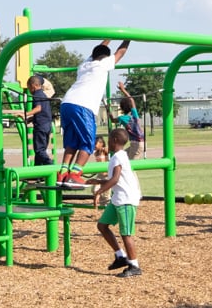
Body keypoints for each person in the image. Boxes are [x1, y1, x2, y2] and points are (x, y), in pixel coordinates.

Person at [58, 39, 130, 184]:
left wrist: (108, 37)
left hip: (66, 103)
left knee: (72, 141)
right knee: (88, 142)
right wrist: (128, 38)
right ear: (105, 57)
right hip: (83, 106)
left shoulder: (84, 65)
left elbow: (99, 49)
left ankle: (63, 172)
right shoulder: (103, 64)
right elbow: (120, 52)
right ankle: (76, 173)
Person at [86, 128, 143, 278]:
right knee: (102, 225)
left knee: (126, 234)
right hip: (118, 198)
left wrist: (98, 191)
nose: (107, 143)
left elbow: (115, 179)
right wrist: (98, 181)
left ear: (115, 141)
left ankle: (134, 265)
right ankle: (120, 256)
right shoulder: (117, 156)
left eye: (110, 139)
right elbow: (116, 180)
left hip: (126, 199)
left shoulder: (118, 157)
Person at [108, 81, 144, 160]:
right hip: (138, 143)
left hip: (137, 144)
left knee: (131, 166)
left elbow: (113, 120)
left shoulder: (122, 118)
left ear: (122, 108)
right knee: (121, 158)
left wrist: (108, 111)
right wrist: (123, 90)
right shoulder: (134, 115)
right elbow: (131, 100)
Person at [24, 75, 53, 166]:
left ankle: (52, 167)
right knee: (40, 150)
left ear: (33, 86)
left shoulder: (36, 94)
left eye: (29, 88)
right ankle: (37, 173)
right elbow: (44, 112)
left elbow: (38, 108)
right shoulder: (44, 95)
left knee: (39, 150)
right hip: (47, 126)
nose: (29, 90)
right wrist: (31, 119)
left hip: (40, 127)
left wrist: (25, 114)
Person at [93, 135, 110, 205]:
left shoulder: (105, 150)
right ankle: (101, 202)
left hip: (106, 175)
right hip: (100, 175)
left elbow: (110, 152)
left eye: (95, 144)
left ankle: (107, 205)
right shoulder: (96, 153)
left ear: (101, 143)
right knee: (95, 189)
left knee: (106, 194)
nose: (94, 146)